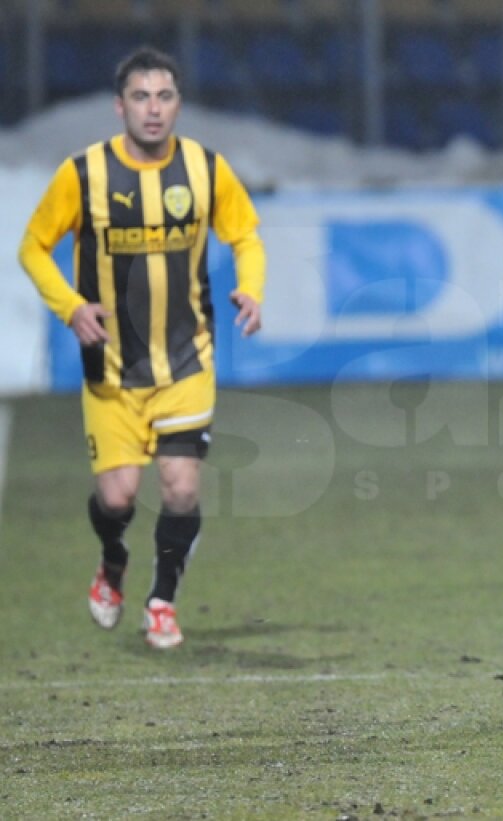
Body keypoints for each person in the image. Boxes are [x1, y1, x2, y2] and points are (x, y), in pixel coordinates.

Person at [17, 46, 266, 649]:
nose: (153, 109)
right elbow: (33, 246)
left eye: (164, 96)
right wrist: (70, 306)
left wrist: (252, 289)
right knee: (118, 497)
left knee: (181, 487)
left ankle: (162, 601)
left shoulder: (206, 169)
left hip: (186, 361)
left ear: (178, 103)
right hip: (112, 368)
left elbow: (245, 234)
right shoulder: (84, 174)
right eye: (140, 97)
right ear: (119, 106)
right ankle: (112, 562)